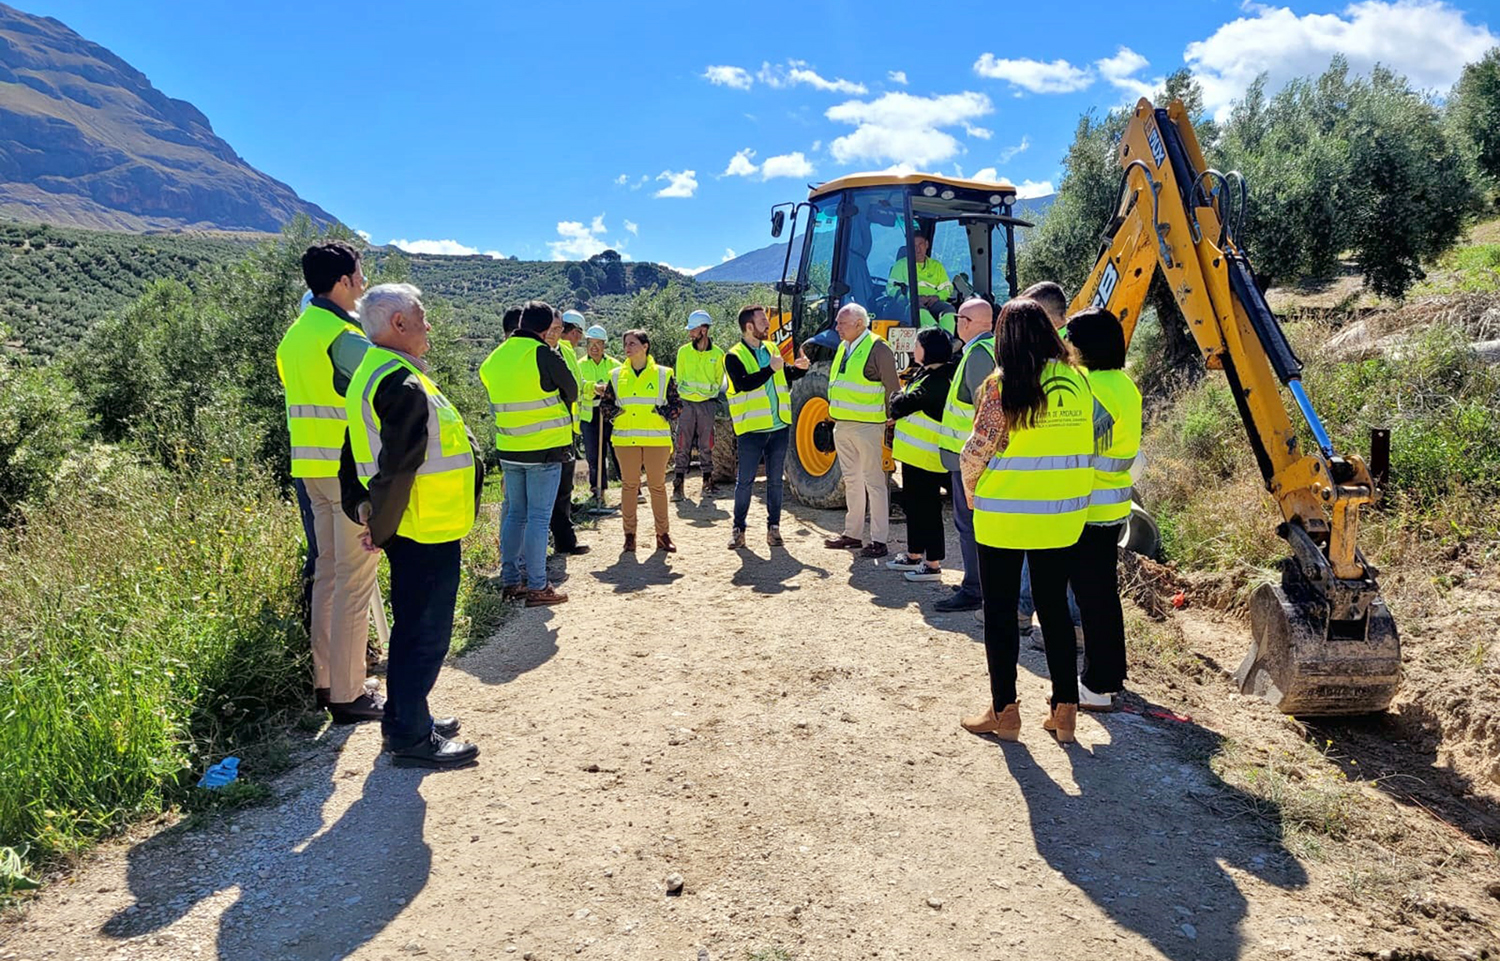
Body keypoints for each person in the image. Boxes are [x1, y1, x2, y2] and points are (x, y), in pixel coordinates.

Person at [339, 283, 481, 770]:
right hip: (423, 527)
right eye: (422, 316)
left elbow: (353, 451)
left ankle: (406, 716)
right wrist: (378, 525)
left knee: (413, 629)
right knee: (425, 632)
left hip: (418, 525)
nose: (429, 326)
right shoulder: (399, 381)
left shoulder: (379, 373)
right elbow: (398, 467)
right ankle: (411, 737)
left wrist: (364, 508)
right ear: (398, 324)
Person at [959, 298, 1094, 745]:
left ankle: (1005, 711)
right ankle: (1064, 711)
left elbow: (978, 448)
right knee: (1053, 608)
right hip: (1061, 514)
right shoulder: (1077, 381)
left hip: (1005, 515)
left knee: (999, 613)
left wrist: (972, 489)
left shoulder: (1002, 385)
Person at [274, 241, 384, 724]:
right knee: (355, 580)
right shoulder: (343, 335)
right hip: (346, 474)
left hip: (309, 469)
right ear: (343, 282)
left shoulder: (295, 336)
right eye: (359, 276)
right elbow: (388, 387)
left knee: (328, 575)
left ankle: (328, 682)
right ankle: (350, 692)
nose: (362, 284)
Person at [1066, 306, 1141, 711]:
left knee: (1092, 599)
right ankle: (1109, 675)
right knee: (1102, 597)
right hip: (1112, 504)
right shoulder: (1124, 384)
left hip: (1086, 507)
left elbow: (1075, 444)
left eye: (1070, 340)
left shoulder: (1091, 388)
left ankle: (1098, 684)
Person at [479, 300, 576, 606]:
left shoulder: (492, 359)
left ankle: (510, 582)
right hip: (544, 449)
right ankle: (537, 586)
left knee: (515, 514)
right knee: (537, 517)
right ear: (547, 328)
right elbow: (571, 390)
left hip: (509, 448)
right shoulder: (542, 354)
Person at [724, 304, 810, 549]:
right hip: (751, 430)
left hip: (779, 426)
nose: (768, 324)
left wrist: (799, 370)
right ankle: (738, 529)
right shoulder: (733, 356)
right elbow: (744, 384)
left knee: (775, 481)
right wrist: (770, 369)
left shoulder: (772, 348)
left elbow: (781, 376)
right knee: (745, 482)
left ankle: (774, 529)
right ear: (749, 326)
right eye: (763, 321)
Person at [822, 303, 899, 559]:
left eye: (841, 323)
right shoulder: (843, 348)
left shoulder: (878, 348)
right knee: (852, 481)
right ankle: (852, 534)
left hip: (869, 427)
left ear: (858, 324)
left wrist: (891, 420)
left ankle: (879, 540)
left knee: (875, 484)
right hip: (843, 426)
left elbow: (893, 387)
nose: (837, 327)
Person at [934, 297, 995, 614]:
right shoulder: (990, 350)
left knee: (968, 523)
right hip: (977, 458)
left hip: (970, 459)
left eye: (959, 318)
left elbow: (984, 413)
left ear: (967, 323)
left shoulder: (977, 356)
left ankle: (975, 588)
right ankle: (978, 583)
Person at [597, 329, 681, 553]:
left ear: (645, 347)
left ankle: (663, 536)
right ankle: (629, 537)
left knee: (657, 487)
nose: (628, 347)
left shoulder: (663, 374)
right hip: (625, 440)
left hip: (656, 440)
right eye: (626, 343)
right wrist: (617, 415)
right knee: (629, 486)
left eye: (633, 343)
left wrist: (660, 412)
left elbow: (677, 406)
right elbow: (605, 406)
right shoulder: (615, 375)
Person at [886, 328, 955, 581]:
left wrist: (898, 397)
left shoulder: (940, 380)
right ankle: (914, 554)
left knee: (928, 510)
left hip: (928, 458)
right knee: (914, 507)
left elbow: (899, 404)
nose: (913, 349)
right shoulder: (925, 374)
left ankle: (933, 563)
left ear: (929, 349)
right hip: (914, 456)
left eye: (917, 345)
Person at [544, 307, 585, 557]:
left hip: (566, 429)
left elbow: (576, 386)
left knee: (563, 487)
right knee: (552, 488)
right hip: (548, 431)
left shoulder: (566, 352)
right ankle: (558, 539)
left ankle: (564, 539)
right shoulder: (542, 354)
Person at [673, 310, 726, 500]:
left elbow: (719, 379)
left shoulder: (719, 354)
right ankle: (678, 484)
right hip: (687, 404)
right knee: (682, 442)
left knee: (707, 443)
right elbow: (679, 377)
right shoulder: (683, 352)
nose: (690, 334)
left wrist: (707, 396)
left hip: (707, 405)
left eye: (693, 330)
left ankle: (707, 481)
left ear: (703, 330)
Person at [577, 323, 620, 500]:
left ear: (604, 345)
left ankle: (631, 486)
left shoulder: (615, 366)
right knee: (594, 455)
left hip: (611, 416)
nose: (594, 348)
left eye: (598, 343)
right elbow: (578, 387)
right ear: (586, 344)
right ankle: (597, 489)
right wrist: (592, 389)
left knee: (618, 450)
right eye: (591, 343)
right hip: (589, 417)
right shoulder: (579, 366)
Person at [888, 234, 955, 329]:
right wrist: (913, 298)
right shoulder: (900, 265)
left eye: (920, 244)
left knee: (949, 309)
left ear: (927, 244)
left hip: (933, 302)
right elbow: (891, 289)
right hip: (910, 304)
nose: (917, 249)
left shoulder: (937, 266)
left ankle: (948, 339)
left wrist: (937, 297)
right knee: (917, 309)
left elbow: (947, 288)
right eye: (914, 246)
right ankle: (938, 336)